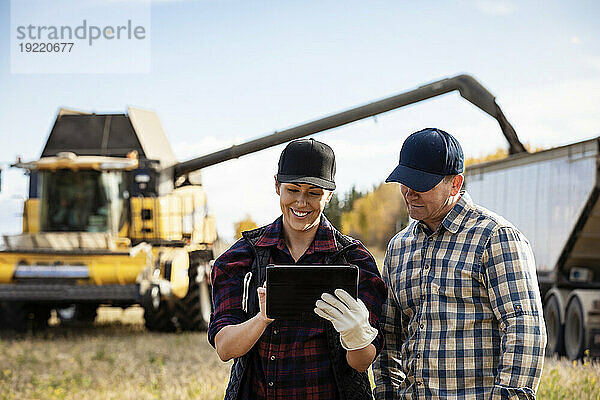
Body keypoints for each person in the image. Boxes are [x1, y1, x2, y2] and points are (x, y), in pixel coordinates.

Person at [373, 128, 546, 399]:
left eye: (421, 184)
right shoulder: (398, 247)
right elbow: (389, 338)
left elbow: (524, 329)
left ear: (455, 184)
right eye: (405, 181)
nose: (409, 193)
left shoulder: (495, 238)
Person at [209, 138, 387, 400]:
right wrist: (262, 318)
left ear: (328, 195)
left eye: (314, 192)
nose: (302, 202)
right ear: (277, 185)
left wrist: (356, 334)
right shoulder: (240, 257)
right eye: (292, 190)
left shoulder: (355, 262)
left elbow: (361, 363)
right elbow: (225, 348)